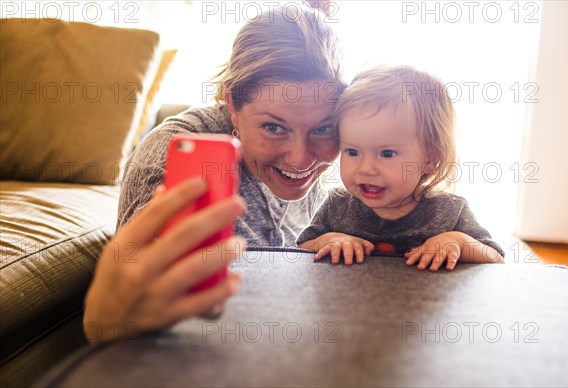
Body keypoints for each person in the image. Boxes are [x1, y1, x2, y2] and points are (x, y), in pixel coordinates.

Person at [83, 3, 344, 342]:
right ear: (232, 105)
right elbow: (139, 311)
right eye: (273, 128)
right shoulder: (175, 158)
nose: (300, 160)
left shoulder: (333, 157)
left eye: (323, 129)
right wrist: (111, 322)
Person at [297, 65, 505, 270]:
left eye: (387, 154)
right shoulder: (337, 205)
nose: (366, 169)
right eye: (352, 152)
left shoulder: (449, 211)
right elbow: (301, 248)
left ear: (431, 158)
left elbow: (495, 259)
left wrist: (458, 241)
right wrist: (328, 240)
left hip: (422, 302)